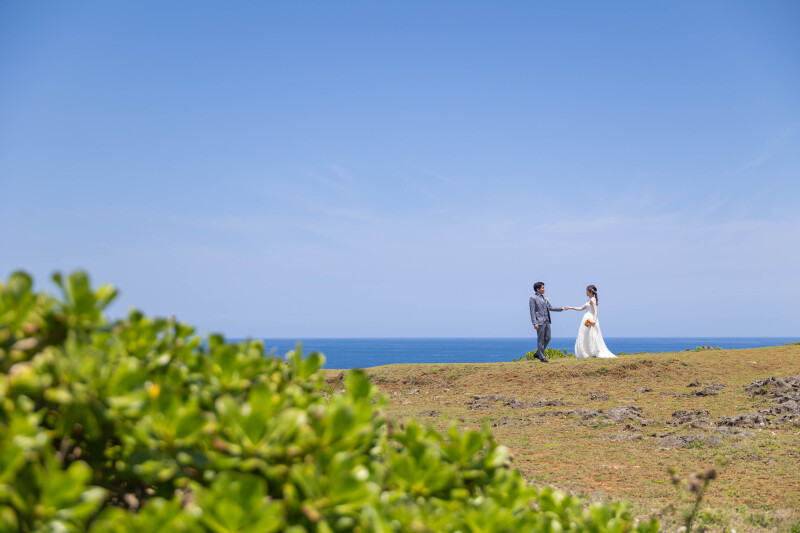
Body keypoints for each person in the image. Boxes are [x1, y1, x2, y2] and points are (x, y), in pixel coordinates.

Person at [563, 285, 616, 359]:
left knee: (592, 335)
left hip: (591, 318)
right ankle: (588, 352)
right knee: (586, 335)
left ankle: (593, 351)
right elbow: (581, 308)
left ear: (590, 292)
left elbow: (595, 310)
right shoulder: (589, 300)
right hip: (586, 318)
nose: (586, 292)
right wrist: (570, 307)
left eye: (587, 291)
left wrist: (594, 320)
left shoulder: (592, 299)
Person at [528, 281, 563, 362]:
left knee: (548, 338)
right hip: (539, 322)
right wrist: (534, 322)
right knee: (540, 339)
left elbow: (550, 308)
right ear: (538, 289)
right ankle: (542, 358)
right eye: (542, 288)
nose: (544, 289)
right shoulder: (533, 298)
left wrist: (562, 308)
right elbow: (532, 311)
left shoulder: (544, 298)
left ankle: (537, 353)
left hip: (547, 321)